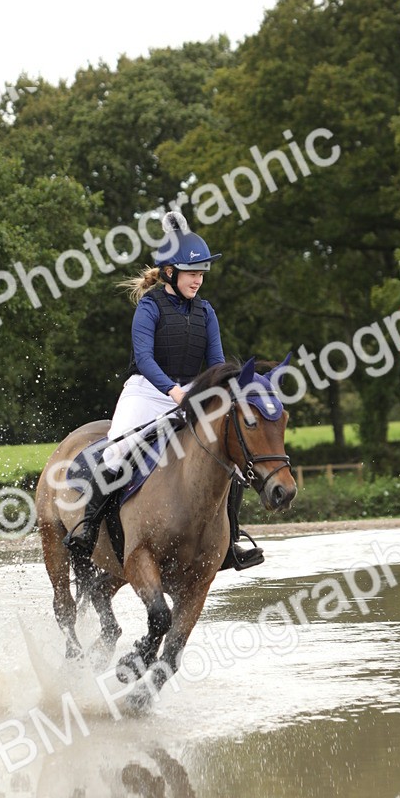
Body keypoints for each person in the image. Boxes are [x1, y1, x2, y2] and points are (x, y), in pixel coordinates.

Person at [64, 212, 263, 570]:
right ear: (170, 272)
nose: (199, 280)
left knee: (229, 463)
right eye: (192, 273)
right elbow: (144, 357)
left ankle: (230, 541)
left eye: (202, 274)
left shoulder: (206, 311)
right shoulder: (149, 306)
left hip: (188, 392)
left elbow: (215, 362)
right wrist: (173, 392)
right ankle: (87, 529)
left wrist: (216, 391)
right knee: (116, 453)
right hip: (146, 392)